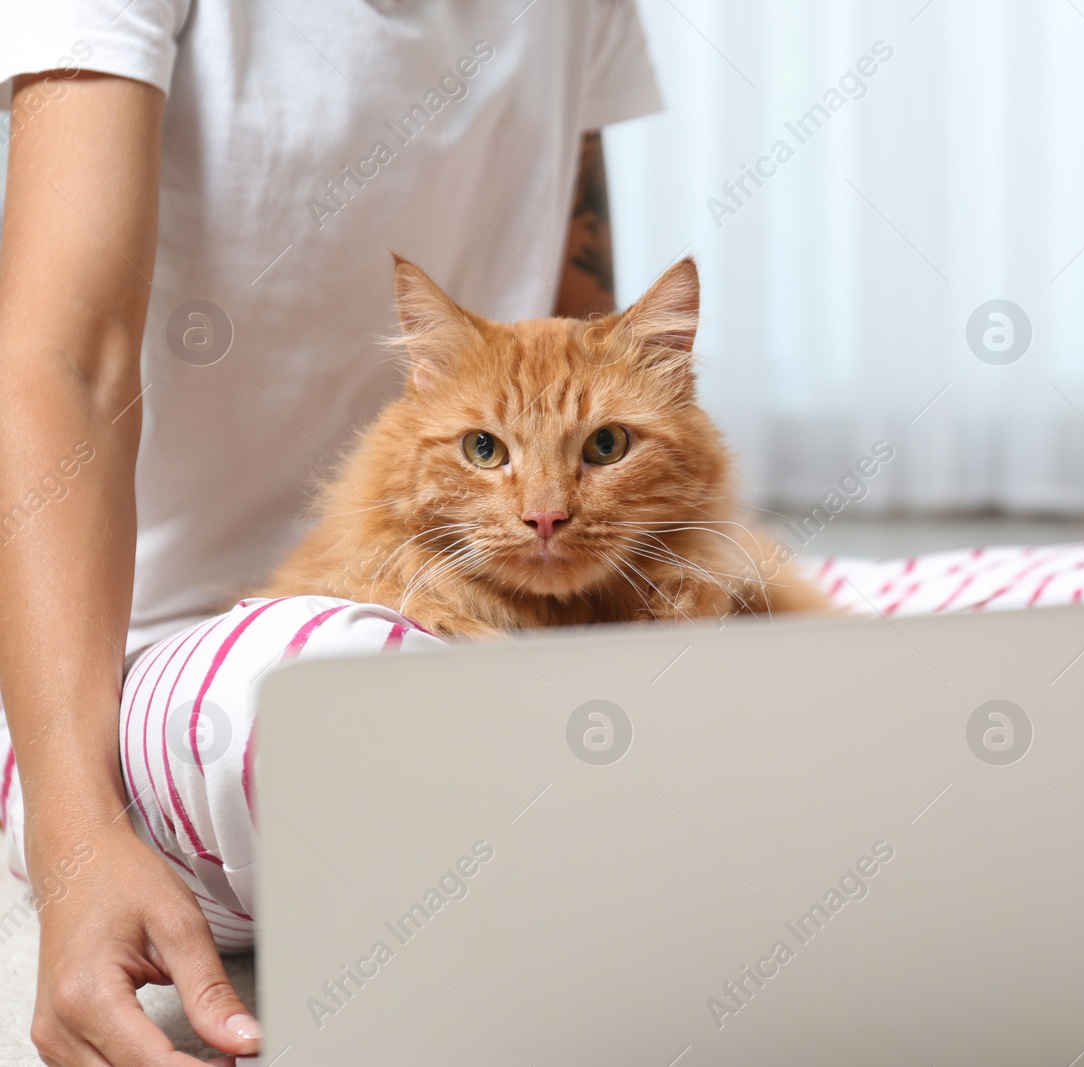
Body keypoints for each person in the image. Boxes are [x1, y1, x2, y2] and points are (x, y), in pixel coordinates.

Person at [0, 2, 661, 1062]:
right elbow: (64, 361)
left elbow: (583, 333)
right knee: (343, 705)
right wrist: (74, 838)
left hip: (479, 590)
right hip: (170, 647)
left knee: (966, 617)